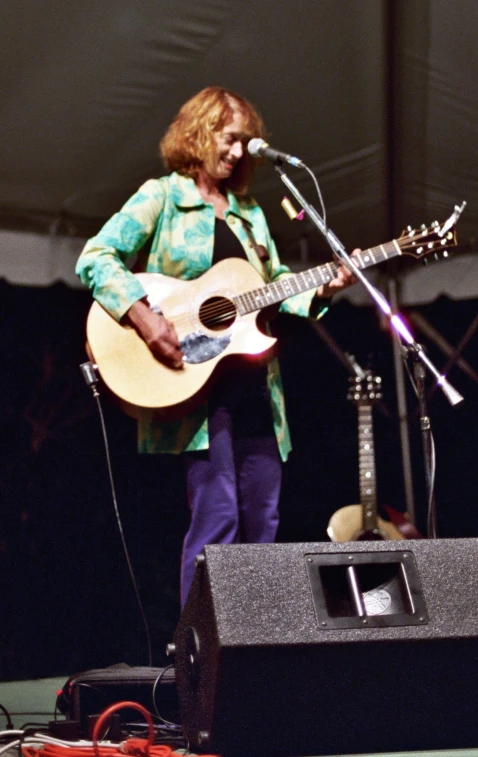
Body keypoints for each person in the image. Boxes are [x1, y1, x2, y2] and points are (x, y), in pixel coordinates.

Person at [76, 86, 356, 606]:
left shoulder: (249, 214)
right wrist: (144, 316)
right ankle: (199, 661)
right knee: (218, 518)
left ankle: (254, 657)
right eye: (229, 140)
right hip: (195, 391)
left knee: (263, 522)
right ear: (199, 132)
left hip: (256, 389)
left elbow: (275, 289)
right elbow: (97, 257)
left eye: (246, 144)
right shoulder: (161, 196)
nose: (236, 153)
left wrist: (323, 288)